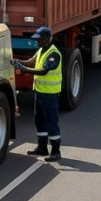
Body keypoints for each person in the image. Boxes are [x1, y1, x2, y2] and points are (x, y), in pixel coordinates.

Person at [13, 26, 63, 162]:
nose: (38, 42)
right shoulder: (41, 50)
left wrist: (25, 69)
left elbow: (43, 71)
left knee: (51, 122)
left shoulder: (53, 54)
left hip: (50, 95)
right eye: (37, 39)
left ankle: (55, 151)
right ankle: (42, 147)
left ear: (47, 39)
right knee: (39, 120)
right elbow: (31, 61)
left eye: (40, 39)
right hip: (40, 93)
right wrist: (17, 63)